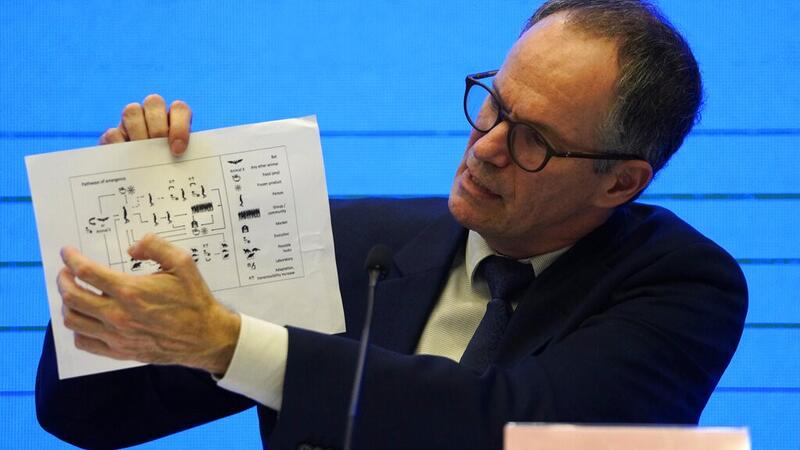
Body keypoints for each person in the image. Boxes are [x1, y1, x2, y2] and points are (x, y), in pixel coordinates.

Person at [36, 1, 747, 449]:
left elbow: (519, 425)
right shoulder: (349, 245)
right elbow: (91, 415)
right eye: (495, 104)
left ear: (620, 182)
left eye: (535, 139)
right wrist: (126, 222)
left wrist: (233, 344)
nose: (486, 146)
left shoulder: (683, 285)